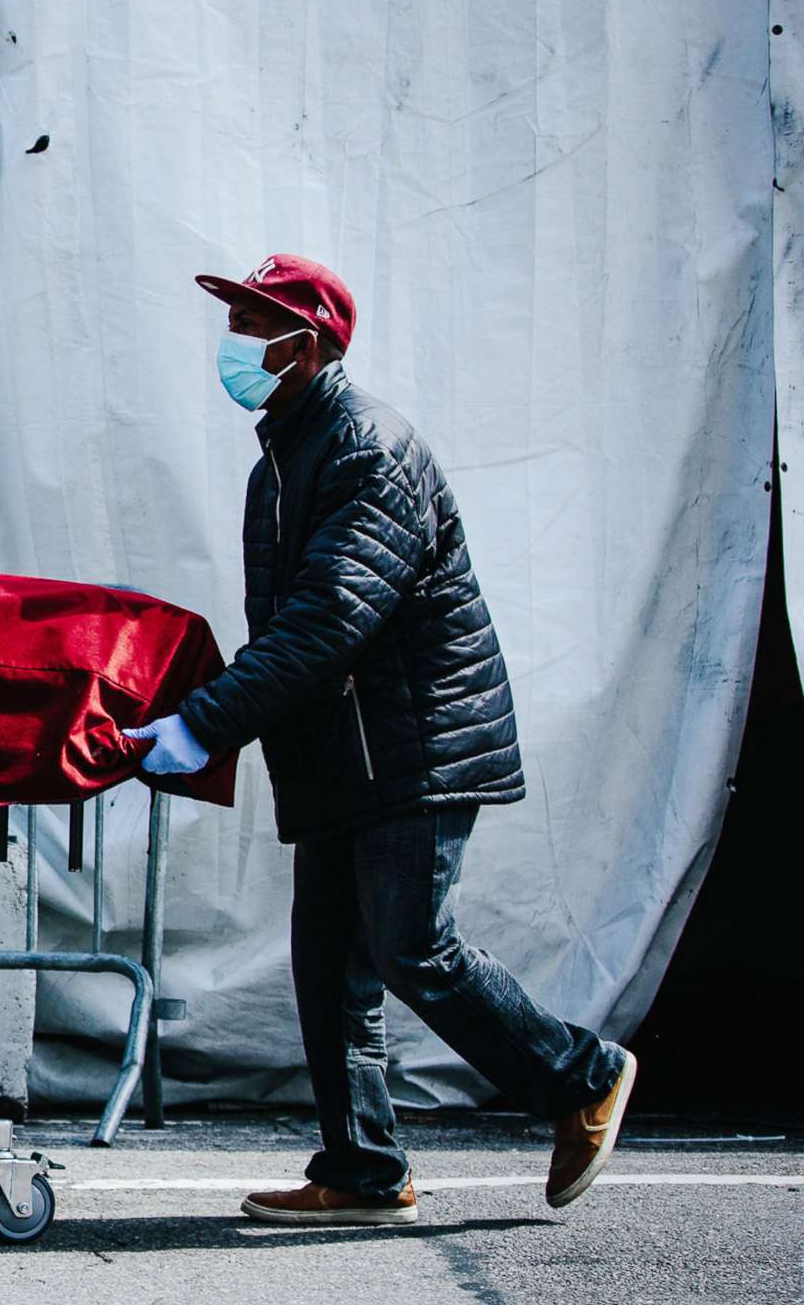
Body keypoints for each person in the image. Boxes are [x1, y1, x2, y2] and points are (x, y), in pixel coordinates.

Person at [124, 253, 634, 1227]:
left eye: (248, 324)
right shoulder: (282, 456)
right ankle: (362, 1170)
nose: (231, 344)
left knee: (412, 950)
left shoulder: (367, 450)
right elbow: (288, 628)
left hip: (415, 746)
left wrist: (206, 723)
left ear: (302, 347)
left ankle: (582, 1073)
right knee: (328, 968)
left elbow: (324, 624)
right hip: (342, 756)